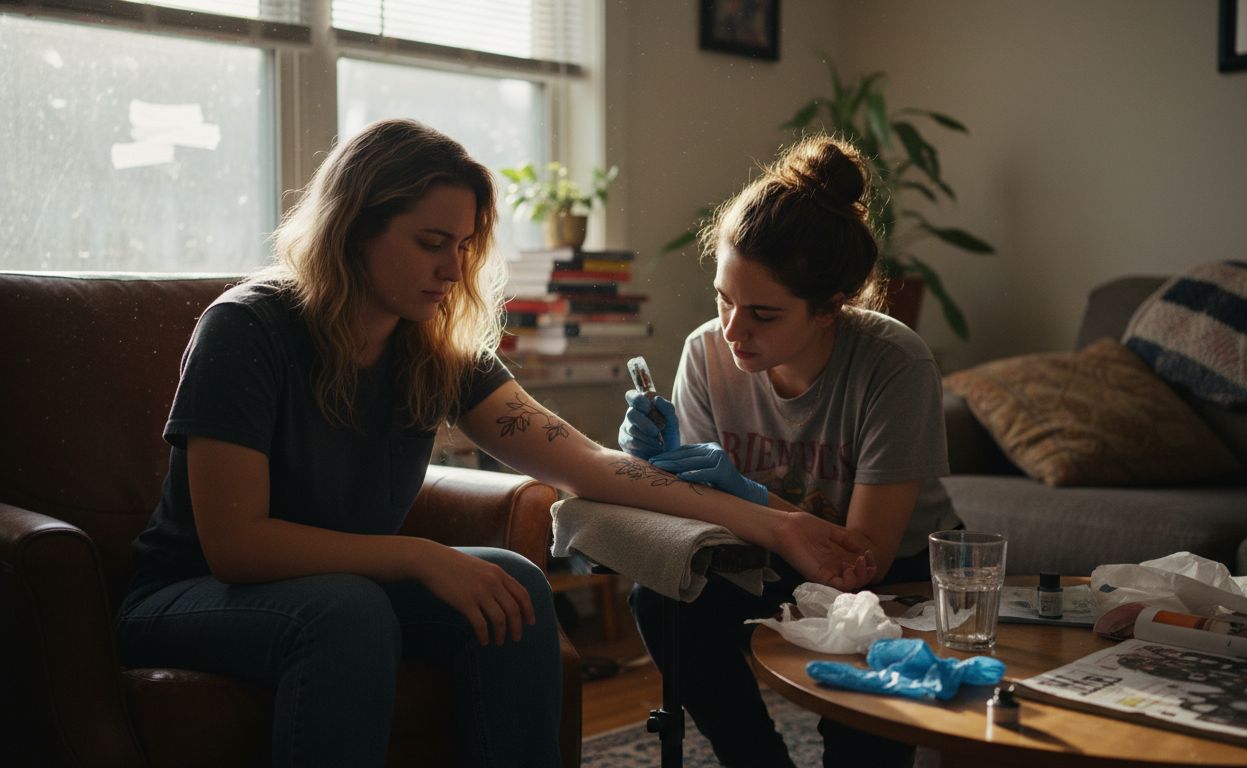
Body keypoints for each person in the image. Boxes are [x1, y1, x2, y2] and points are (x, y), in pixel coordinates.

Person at [115, 119, 877, 768]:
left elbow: (588, 465)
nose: (453, 270)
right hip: (192, 596)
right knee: (348, 611)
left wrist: (780, 524)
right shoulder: (247, 330)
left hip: (344, 591)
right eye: (430, 243)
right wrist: (421, 555)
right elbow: (236, 545)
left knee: (512, 584)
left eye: (465, 245)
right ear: (355, 228)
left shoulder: (432, 348)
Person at [619, 135, 960, 768]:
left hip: (894, 578)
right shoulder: (707, 353)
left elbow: (861, 560)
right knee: (661, 596)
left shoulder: (894, 363)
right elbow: (695, 518)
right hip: (767, 554)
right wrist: (658, 463)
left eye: (764, 314)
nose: (732, 330)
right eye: (723, 298)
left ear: (830, 308)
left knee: (864, 742)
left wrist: (744, 493)